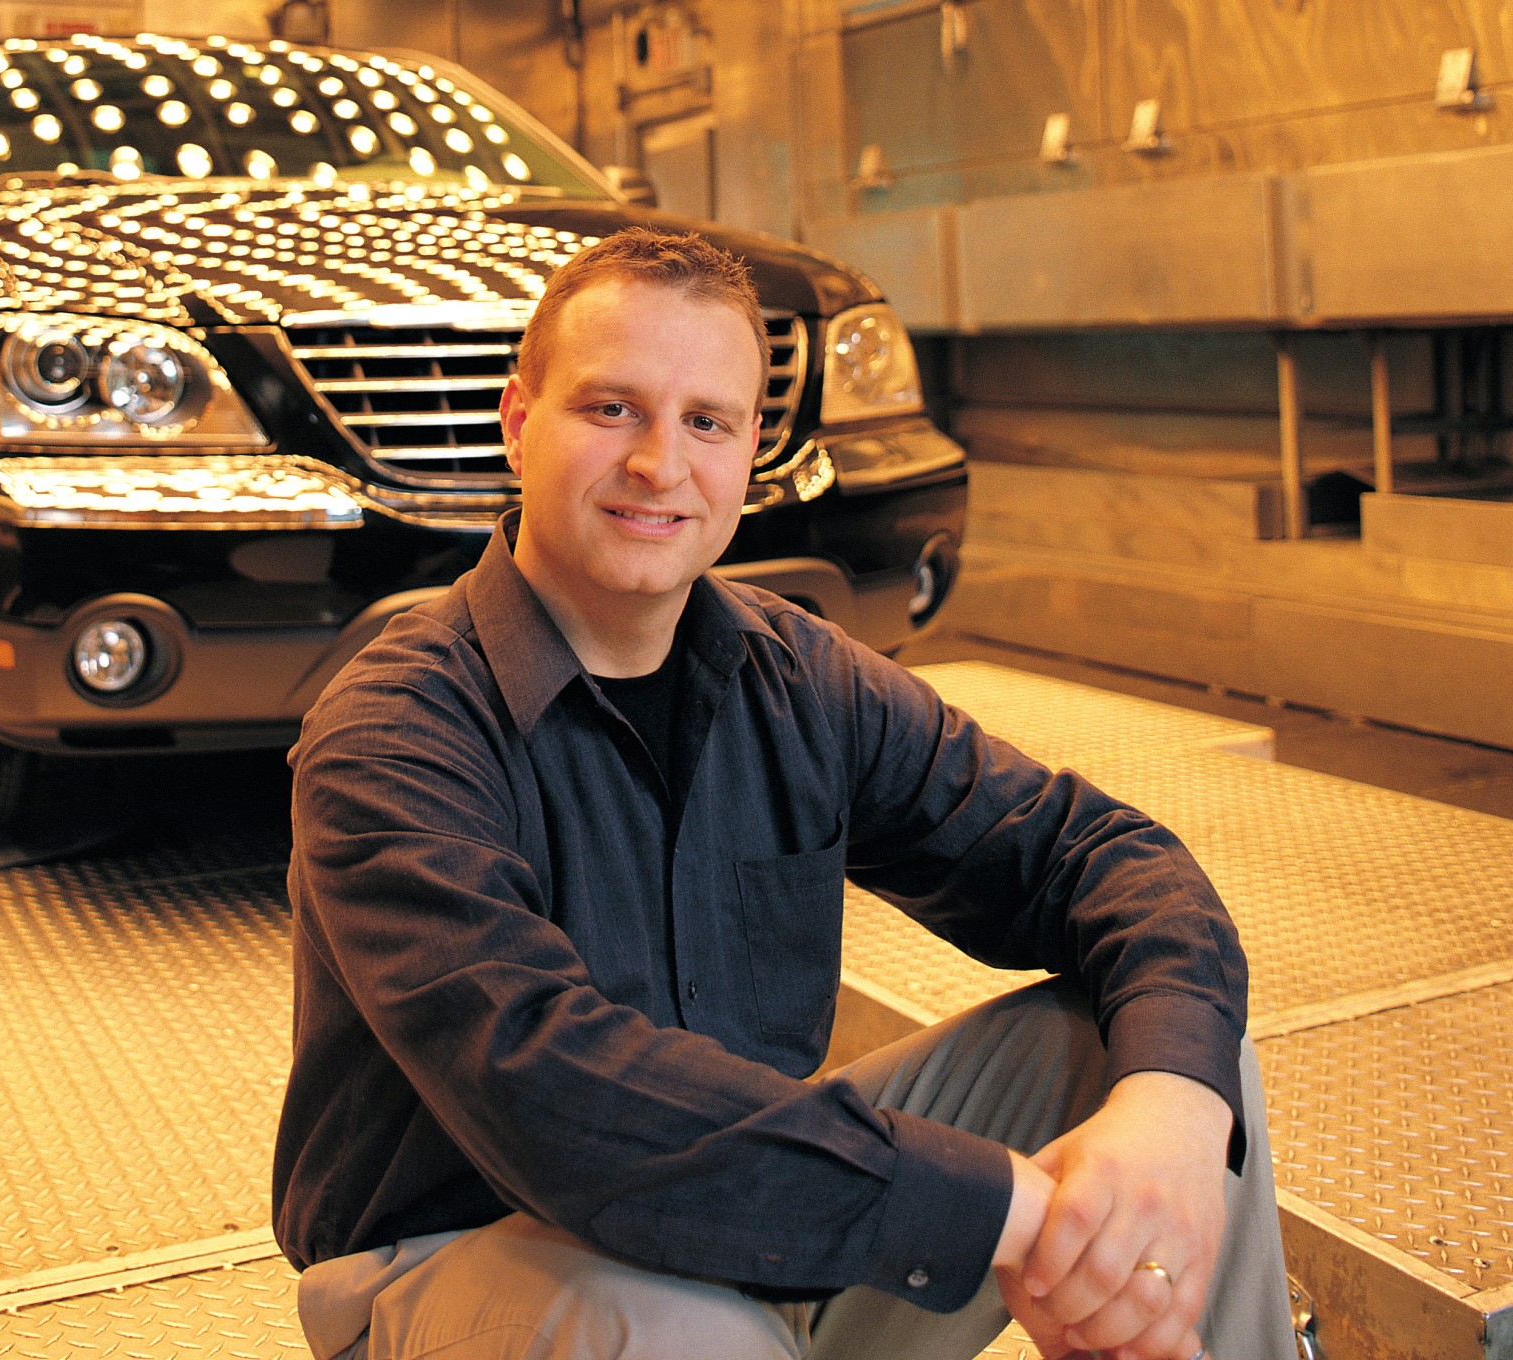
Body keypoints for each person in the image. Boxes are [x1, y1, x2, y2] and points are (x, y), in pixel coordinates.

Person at [272, 227, 1295, 1360]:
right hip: (460, 1272)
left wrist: (1165, 1123)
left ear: (749, 448)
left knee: (1173, 1062)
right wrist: (1008, 1213)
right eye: (609, 410)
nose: (660, 464)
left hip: (758, 1240)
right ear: (518, 423)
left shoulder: (798, 677)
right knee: (676, 1329)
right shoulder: (396, 727)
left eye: (704, 421)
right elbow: (545, 1084)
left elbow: (1096, 855)